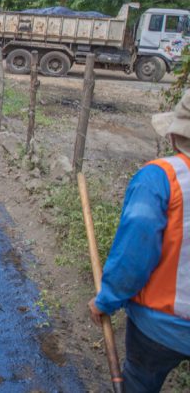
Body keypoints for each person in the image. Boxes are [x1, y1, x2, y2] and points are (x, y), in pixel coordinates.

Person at [88, 89, 190, 392]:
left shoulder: (161, 178)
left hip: (160, 326)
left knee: (140, 380)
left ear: (175, 136)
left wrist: (106, 300)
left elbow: (134, 256)